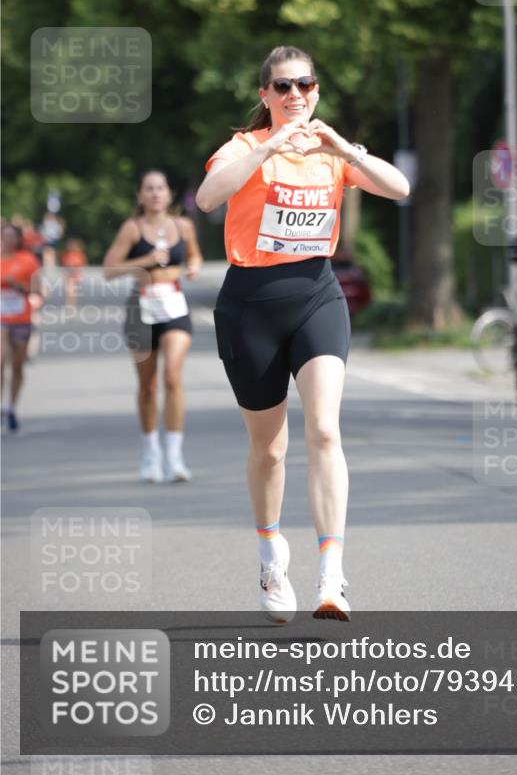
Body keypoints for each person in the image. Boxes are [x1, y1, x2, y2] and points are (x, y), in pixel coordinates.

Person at [196, 45, 409, 622]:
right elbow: (210, 196)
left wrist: (343, 148)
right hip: (251, 305)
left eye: (305, 86)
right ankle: (271, 556)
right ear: (265, 94)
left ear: (317, 91)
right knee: (269, 449)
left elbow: (399, 187)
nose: (295, 96)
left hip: (317, 294)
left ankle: (332, 578)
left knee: (323, 429)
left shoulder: (329, 153)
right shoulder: (244, 148)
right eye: (283, 87)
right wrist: (268, 144)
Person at [103, 171, 203, 483]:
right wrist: (146, 259)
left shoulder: (183, 226)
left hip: (173, 305)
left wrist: (194, 266)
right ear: (140, 195)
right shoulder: (132, 229)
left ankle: (174, 454)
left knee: (172, 376)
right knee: (148, 386)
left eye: (161, 188)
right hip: (141, 307)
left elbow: (195, 254)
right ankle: (151, 452)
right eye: (149, 189)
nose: (156, 193)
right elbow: (109, 270)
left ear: (170, 193)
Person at [1, 224, 42, 431]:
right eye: (4, 236)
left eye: (11, 237)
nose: (7, 240)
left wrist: (18, 286)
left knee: (17, 365)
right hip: (1, 319)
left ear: (18, 239)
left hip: (21, 318)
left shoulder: (28, 260)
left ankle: (11, 407)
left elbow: (38, 289)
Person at [60, 238, 88, 307]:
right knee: (70, 289)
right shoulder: (66, 255)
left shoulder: (79, 254)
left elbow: (82, 264)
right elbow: (64, 264)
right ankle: (70, 303)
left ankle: (72, 303)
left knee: (73, 290)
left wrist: (81, 273)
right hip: (69, 274)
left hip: (76, 274)